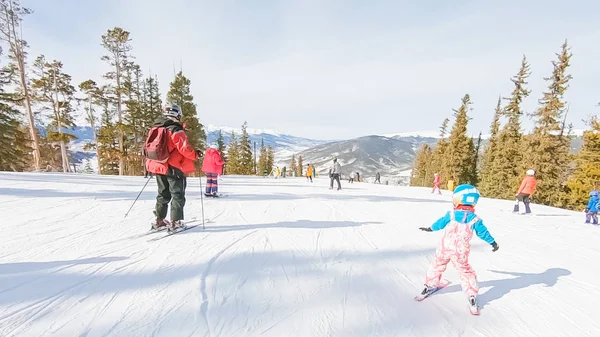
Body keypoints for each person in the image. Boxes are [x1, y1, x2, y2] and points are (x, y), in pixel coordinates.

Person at [418, 184, 499, 313]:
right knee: (465, 271)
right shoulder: (475, 220)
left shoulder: (450, 215)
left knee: (437, 265)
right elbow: (483, 233)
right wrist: (493, 242)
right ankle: (471, 295)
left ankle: (429, 286)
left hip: (444, 249)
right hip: (460, 252)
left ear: (458, 200)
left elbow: (439, 224)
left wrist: (430, 228)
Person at [145, 103, 201, 231]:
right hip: (174, 167)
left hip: (158, 166)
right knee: (177, 194)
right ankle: (176, 222)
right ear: (178, 114)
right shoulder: (175, 129)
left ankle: (159, 220)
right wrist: (195, 154)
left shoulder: (156, 127)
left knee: (162, 193)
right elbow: (184, 149)